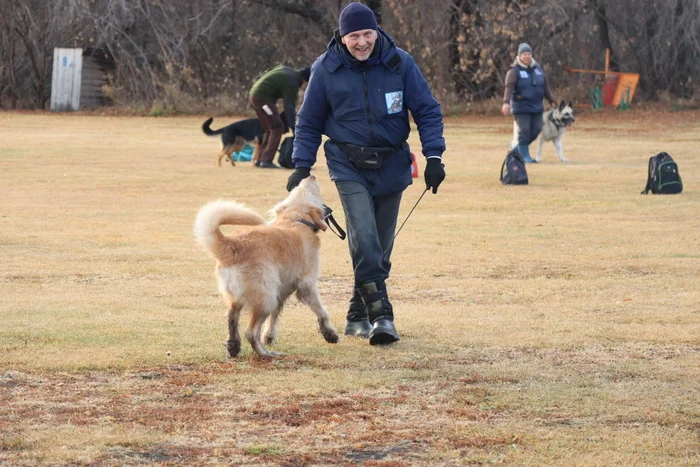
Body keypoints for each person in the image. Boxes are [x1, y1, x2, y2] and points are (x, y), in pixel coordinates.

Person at [285, 2, 446, 345]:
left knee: (380, 246)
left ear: (377, 31)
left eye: (367, 33)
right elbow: (309, 120)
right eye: (354, 36)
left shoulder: (400, 63)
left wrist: (434, 156)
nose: (361, 42)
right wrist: (302, 165)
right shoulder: (326, 69)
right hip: (347, 163)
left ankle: (357, 315)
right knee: (365, 236)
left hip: (392, 164)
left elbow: (428, 111)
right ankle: (382, 316)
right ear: (343, 38)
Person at [501, 43, 556, 163]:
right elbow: (509, 87)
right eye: (524, 54)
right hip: (521, 106)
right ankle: (525, 156)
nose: (527, 56)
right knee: (524, 130)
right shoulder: (514, 71)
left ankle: (516, 150)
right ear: (519, 55)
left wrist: (551, 99)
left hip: (537, 106)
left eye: (529, 54)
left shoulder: (537, 69)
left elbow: (545, 86)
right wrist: (506, 102)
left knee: (536, 129)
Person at [248, 65, 311, 168]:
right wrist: (293, 128)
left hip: (254, 95)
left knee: (269, 128)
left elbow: (266, 73)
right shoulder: (293, 83)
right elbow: (289, 107)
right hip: (262, 99)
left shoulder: (285, 69)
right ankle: (266, 161)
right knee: (277, 128)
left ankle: (260, 159)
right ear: (306, 80)